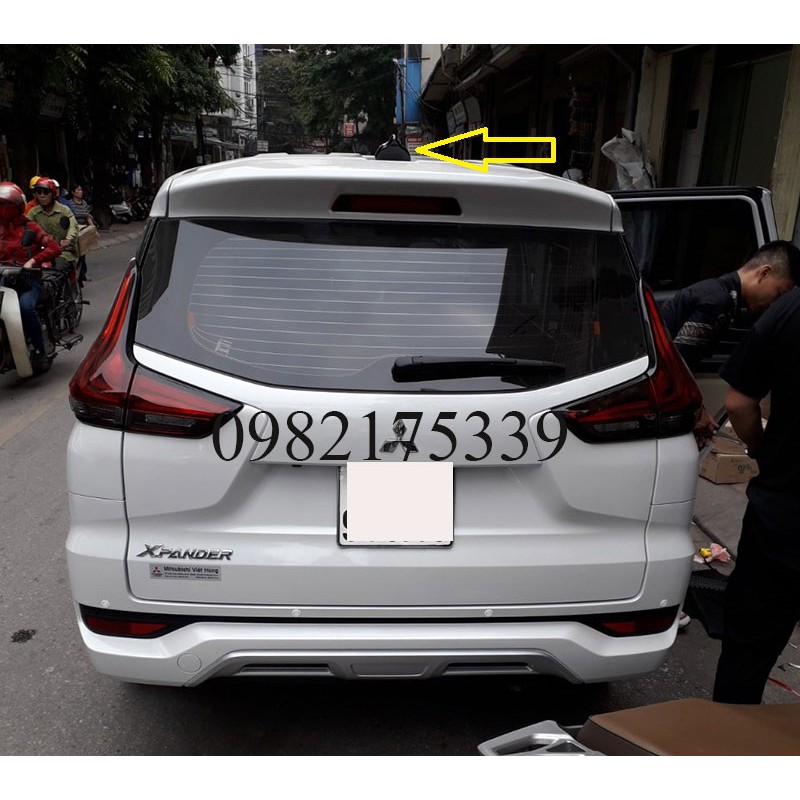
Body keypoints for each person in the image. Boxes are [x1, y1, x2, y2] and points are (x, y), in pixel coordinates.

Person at [660, 240, 800, 629]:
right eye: (780, 294)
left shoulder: (717, 294)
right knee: (667, 509)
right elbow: (674, 365)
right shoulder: (717, 302)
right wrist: (698, 412)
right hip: (659, 412)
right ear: (765, 273)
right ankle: (665, 598)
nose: (776, 305)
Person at [712, 285, 800, 703]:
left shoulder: (790, 309)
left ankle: (730, 734)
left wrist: (764, 450)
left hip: (784, 511)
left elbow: (739, 403)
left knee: (747, 650)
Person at [0, 181, 63, 372]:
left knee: (26, 308)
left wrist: (33, 261)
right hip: (4, 282)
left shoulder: (30, 227)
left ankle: (38, 349)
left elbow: (54, 248)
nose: (2, 209)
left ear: (16, 206)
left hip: (28, 281)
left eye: (6, 205)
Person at [26, 177, 79, 280]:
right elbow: (25, 227)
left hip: (62, 251)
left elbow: (73, 226)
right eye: (39, 192)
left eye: (46, 192)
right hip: (40, 252)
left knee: (59, 270)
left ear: (53, 194)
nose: (42, 196)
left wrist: (68, 239)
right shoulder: (33, 212)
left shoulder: (64, 210)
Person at [62, 183, 93, 284]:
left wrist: (92, 227)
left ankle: (82, 273)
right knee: (76, 253)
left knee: (83, 253)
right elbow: (71, 219)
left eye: (81, 190)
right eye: (78, 190)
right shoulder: (69, 204)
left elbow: (87, 216)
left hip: (84, 230)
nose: (80, 192)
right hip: (74, 229)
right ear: (73, 192)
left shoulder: (84, 203)